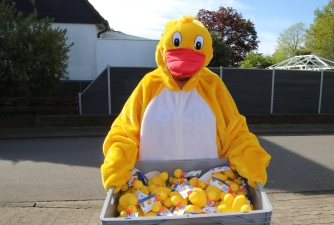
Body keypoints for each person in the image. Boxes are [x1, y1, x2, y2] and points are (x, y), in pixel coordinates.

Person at [101, 15, 271, 193]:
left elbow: (234, 130)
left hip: (206, 189)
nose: (183, 75)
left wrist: (250, 157)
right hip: (151, 186)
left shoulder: (212, 85)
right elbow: (125, 129)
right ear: (163, 49)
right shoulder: (149, 84)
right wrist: (117, 159)